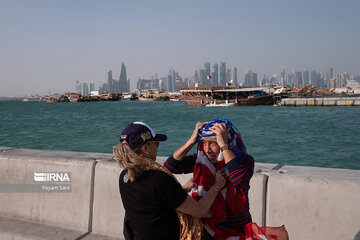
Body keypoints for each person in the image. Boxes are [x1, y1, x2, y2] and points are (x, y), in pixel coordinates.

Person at [113, 121, 226, 240]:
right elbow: (199, 210)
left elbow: (153, 201)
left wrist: (183, 190)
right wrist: (216, 186)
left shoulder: (125, 176)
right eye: (156, 143)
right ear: (145, 148)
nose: (157, 147)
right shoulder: (158, 179)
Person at [164, 117, 255, 240]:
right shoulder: (202, 162)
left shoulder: (244, 161)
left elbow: (238, 180)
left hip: (236, 231)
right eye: (203, 143)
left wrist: (223, 145)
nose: (207, 150)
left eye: (213, 142)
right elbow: (169, 167)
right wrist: (191, 141)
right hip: (205, 230)